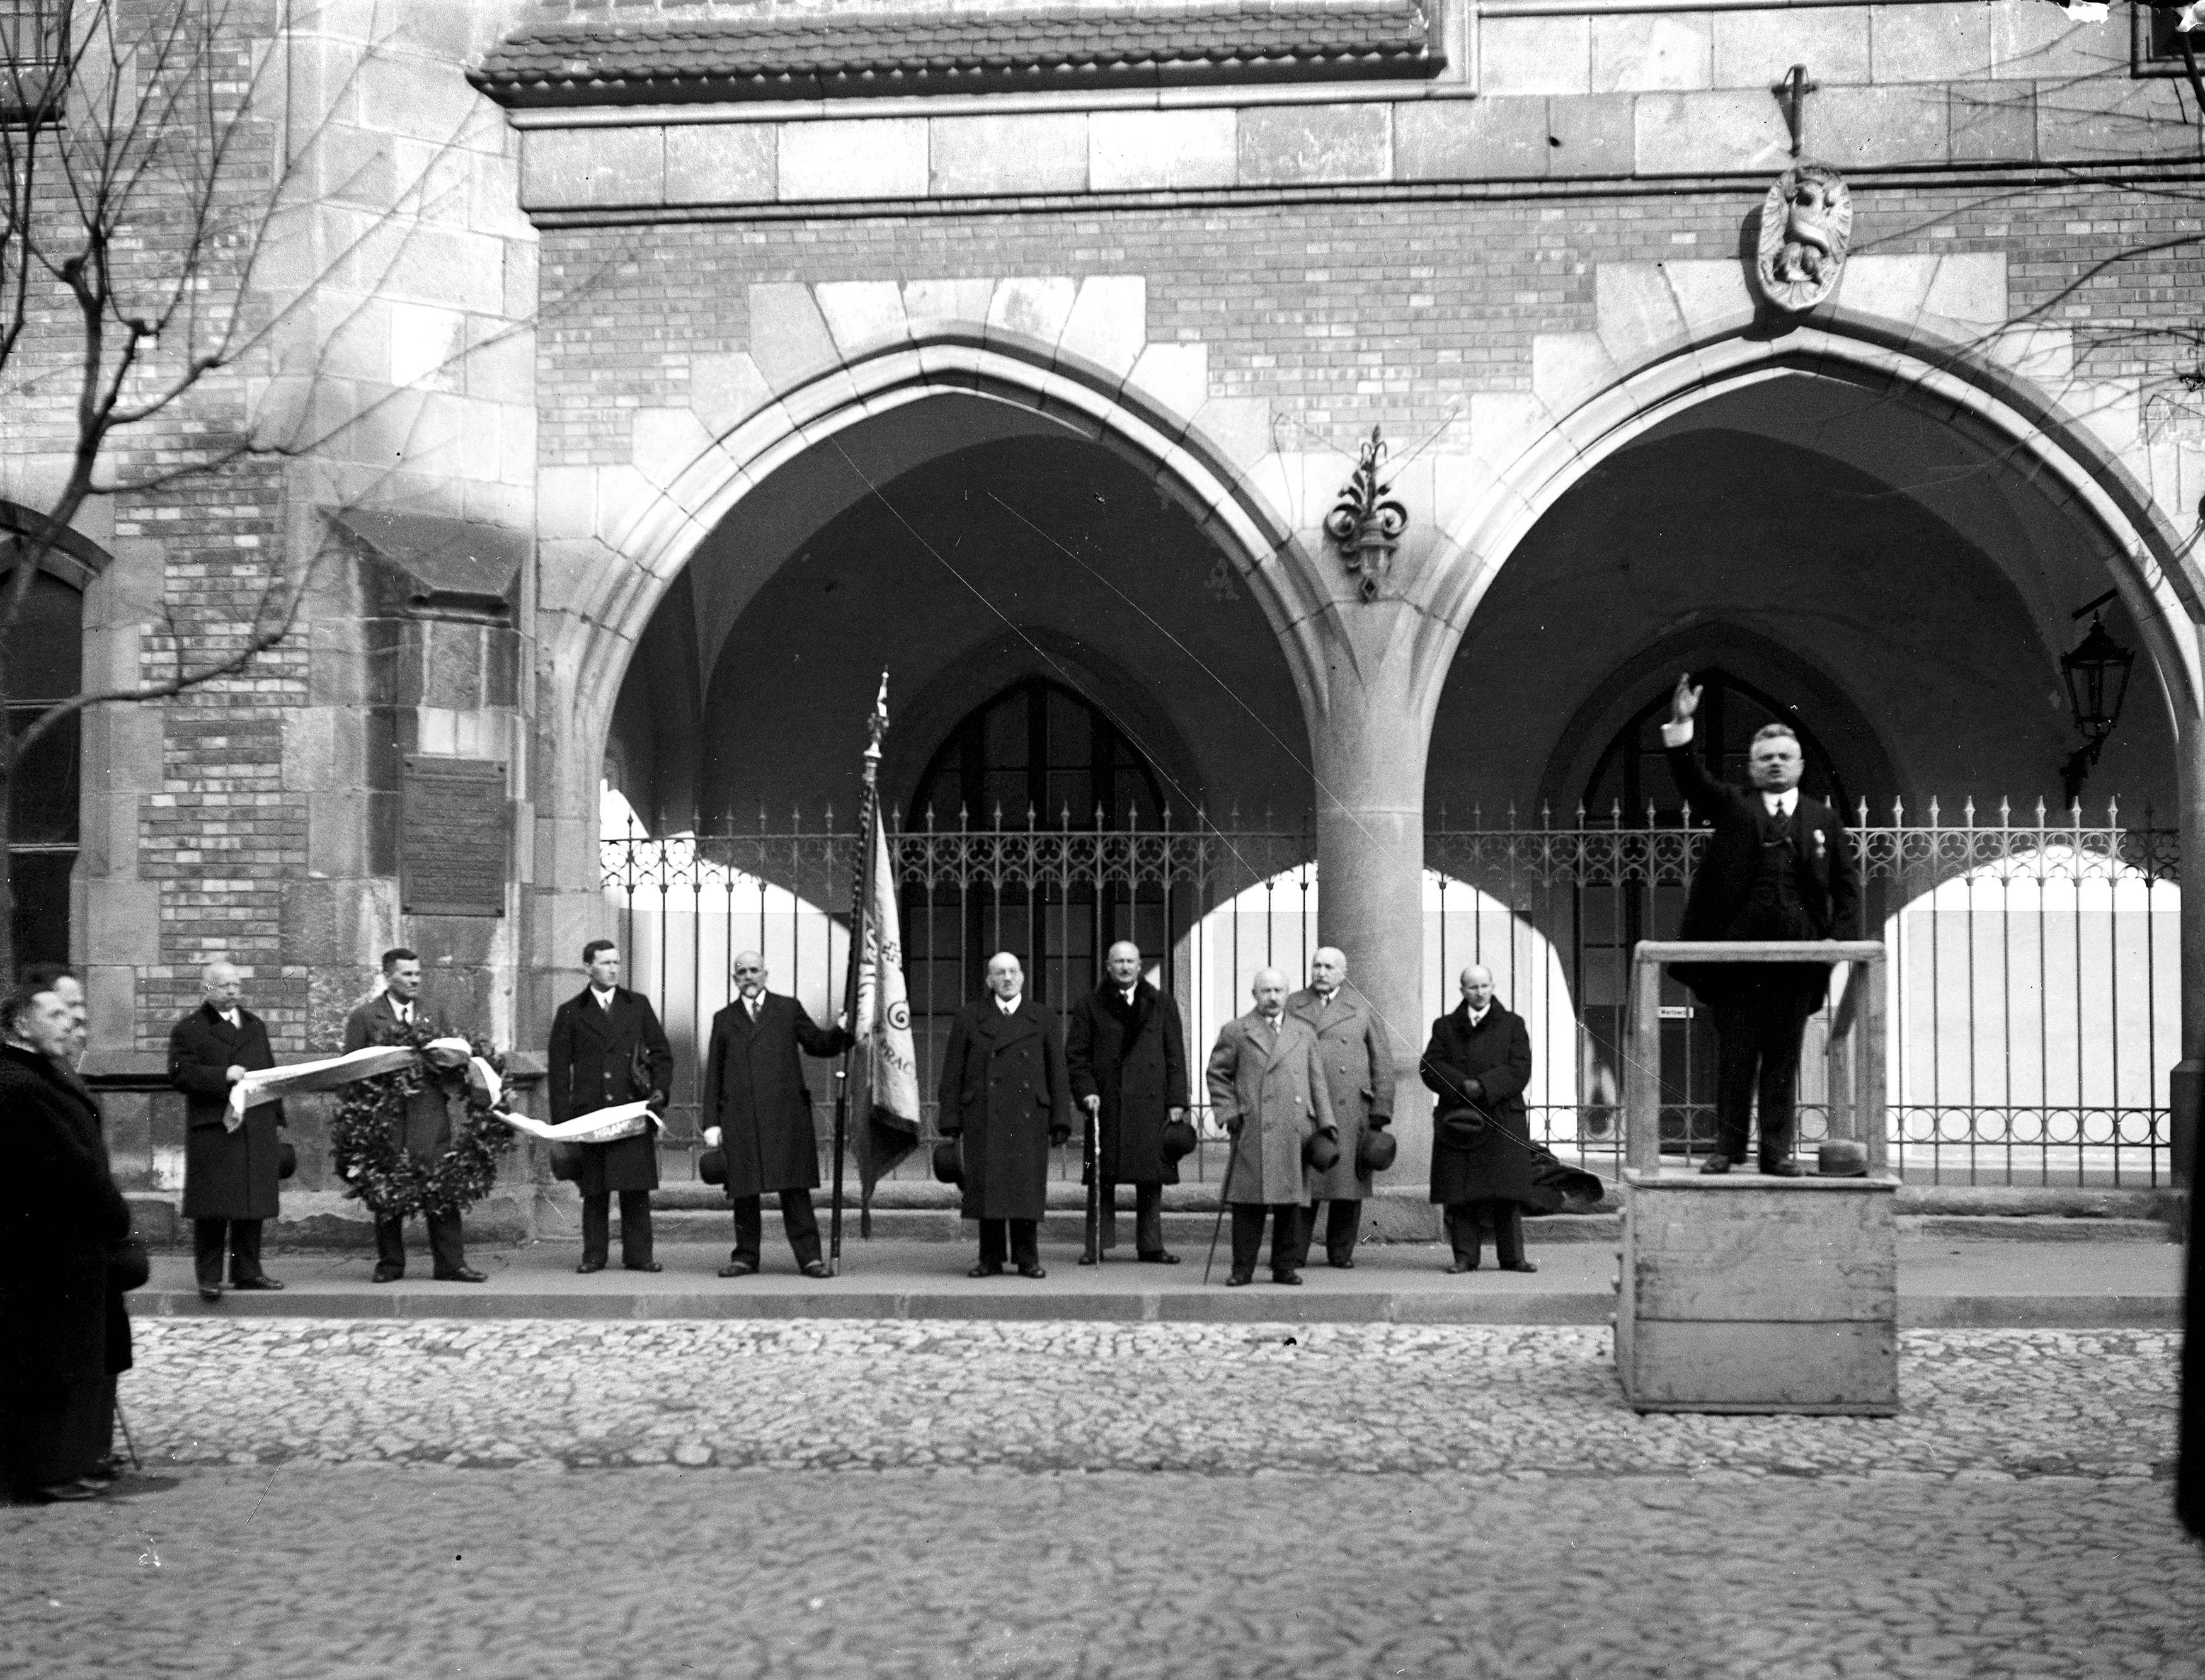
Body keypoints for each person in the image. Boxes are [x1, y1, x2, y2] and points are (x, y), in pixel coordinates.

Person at [1663, 674, 1860, 1175]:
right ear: (1752, 767)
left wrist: (1834, 943)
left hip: (1798, 961)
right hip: (1737, 960)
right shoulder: (1736, 806)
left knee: (1782, 1057)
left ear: (1800, 765)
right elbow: (1692, 781)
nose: (1776, 763)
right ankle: (1727, 1148)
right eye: (1766, 757)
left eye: (1784, 756)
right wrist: (1682, 725)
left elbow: (1847, 887)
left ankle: (1775, 1152)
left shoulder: (1823, 819)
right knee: (1735, 1055)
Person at [3, 981, 133, 1503]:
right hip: (45, 1252)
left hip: (67, 1250)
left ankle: (67, 1462)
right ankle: (48, 1471)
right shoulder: (20, 1083)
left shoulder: (40, 1075)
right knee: (48, 1367)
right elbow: (71, 1166)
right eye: (55, 1014)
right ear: (22, 1023)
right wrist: (116, 1214)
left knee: (68, 1362)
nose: (69, 1022)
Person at [699, 950, 850, 1279]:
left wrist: (841, 1030)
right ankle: (745, 1257)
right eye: (742, 972)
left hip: (784, 1117)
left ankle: (810, 1259)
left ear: (765, 974)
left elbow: (818, 1044)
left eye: (754, 970)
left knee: (794, 1189)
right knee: (744, 1191)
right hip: (741, 1118)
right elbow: (714, 1075)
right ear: (735, 979)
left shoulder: (787, 1008)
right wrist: (711, 1123)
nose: (748, 977)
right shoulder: (724, 1018)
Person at [341, 947, 486, 1284]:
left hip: (429, 1115)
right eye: (407, 974)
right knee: (387, 1189)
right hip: (387, 1118)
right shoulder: (366, 1017)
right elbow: (349, 1071)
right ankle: (390, 1265)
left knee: (442, 1188)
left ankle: (451, 1264)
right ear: (388, 976)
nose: (415, 980)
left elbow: (454, 1064)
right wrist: (358, 1120)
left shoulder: (433, 1014)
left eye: (418, 974)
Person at [936, 952, 1072, 1279]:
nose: (1007, 978)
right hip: (983, 1114)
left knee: (1025, 1186)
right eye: (1000, 973)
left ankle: (1027, 1259)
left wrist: (1061, 1119)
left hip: (1029, 1116)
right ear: (989, 980)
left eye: (1013, 972)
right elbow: (953, 1072)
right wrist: (951, 1120)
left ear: (1022, 977)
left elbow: (1057, 1071)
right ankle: (990, 1258)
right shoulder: (970, 1017)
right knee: (988, 1188)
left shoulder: (1043, 1017)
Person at [546, 940, 673, 1273]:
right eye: (605, 963)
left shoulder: (637, 1005)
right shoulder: (571, 1011)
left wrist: (660, 1091)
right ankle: (594, 1256)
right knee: (595, 1189)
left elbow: (661, 1053)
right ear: (588, 968)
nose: (613, 969)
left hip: (631, 1110)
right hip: (591, 1113)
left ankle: (639, 1256)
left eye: (616, 962)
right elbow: (559, 1073)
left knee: (635, 1187)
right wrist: (563, 1127)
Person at [1205, 968, 1336, 1286]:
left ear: (1287, 994)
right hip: (1253, 1127)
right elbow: (1217, 1075)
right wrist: (1229, 1111)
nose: (1273, 997)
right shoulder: (1237, 1031)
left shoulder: (1304, 1031)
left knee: (1291, 1204)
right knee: (1248, 1203)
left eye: (1279, 991)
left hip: (1295, 1129)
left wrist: (1326, 1123)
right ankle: (1242, 1269)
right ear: (1254, 994)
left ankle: (1284, 1267)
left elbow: (1317, 1081)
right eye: (1266, 991)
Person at [1064, 940, 1190, 1265]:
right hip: (1105, 1104)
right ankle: (1096, 1245)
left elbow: (1175, 1056)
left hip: (1151, 1105)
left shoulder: (1162, 1003)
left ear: (1139, 965)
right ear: (1108, 967)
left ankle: (1151, 1245)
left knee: (1151, 1177)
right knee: (1097, 1175)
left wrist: (1177, 1100)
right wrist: (1086, 1091)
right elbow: (1077, 1056)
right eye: (1118, 962)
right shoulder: (1089, 1005)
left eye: (1130, 962)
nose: (1124, 967)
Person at [168, 959, 285, 1302]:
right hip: (214, 1129)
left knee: (252, 1202)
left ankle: (248, 1272)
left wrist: (278, 1122)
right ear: (207, 988)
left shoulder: (255, 1026)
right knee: (213, 1206)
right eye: (224, 985)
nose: (233, 991)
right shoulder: (189, 1028)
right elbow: (180, 1074)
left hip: (255, 1125)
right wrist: (222, 1075)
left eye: (237, 985)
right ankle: (208, 1277)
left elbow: (269, 1072)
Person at [1421, 964, 1540, 1274]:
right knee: (1462, 1193)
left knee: (1507, 1193)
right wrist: (1462, 1085)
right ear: (1462, 990)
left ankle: (1513, 1258)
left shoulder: (1513, 1024)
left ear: (1493, 986)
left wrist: (1485, 1086)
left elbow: (1520, 1069)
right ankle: (1465, 1258)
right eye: (1473, 987)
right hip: (1460, 1119)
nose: (1480, 992)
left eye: (1485, 985)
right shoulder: (1445, 1027)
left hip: (1502, 1117)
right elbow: (1430, 1066)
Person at [1284, 946, 1395, 1271]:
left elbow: (1382, 1062)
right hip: (1305, 1105)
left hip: (1350, 1108)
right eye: (1317, 966)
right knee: (1305, 1182)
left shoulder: (1361, 1007)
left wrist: (1381, 1109)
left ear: (1343, 973)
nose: (1321, 972)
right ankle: (1294, 1252)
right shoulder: (1292, 1004)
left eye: (1329, 967)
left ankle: (1341, 1252)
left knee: (1347, 1185)